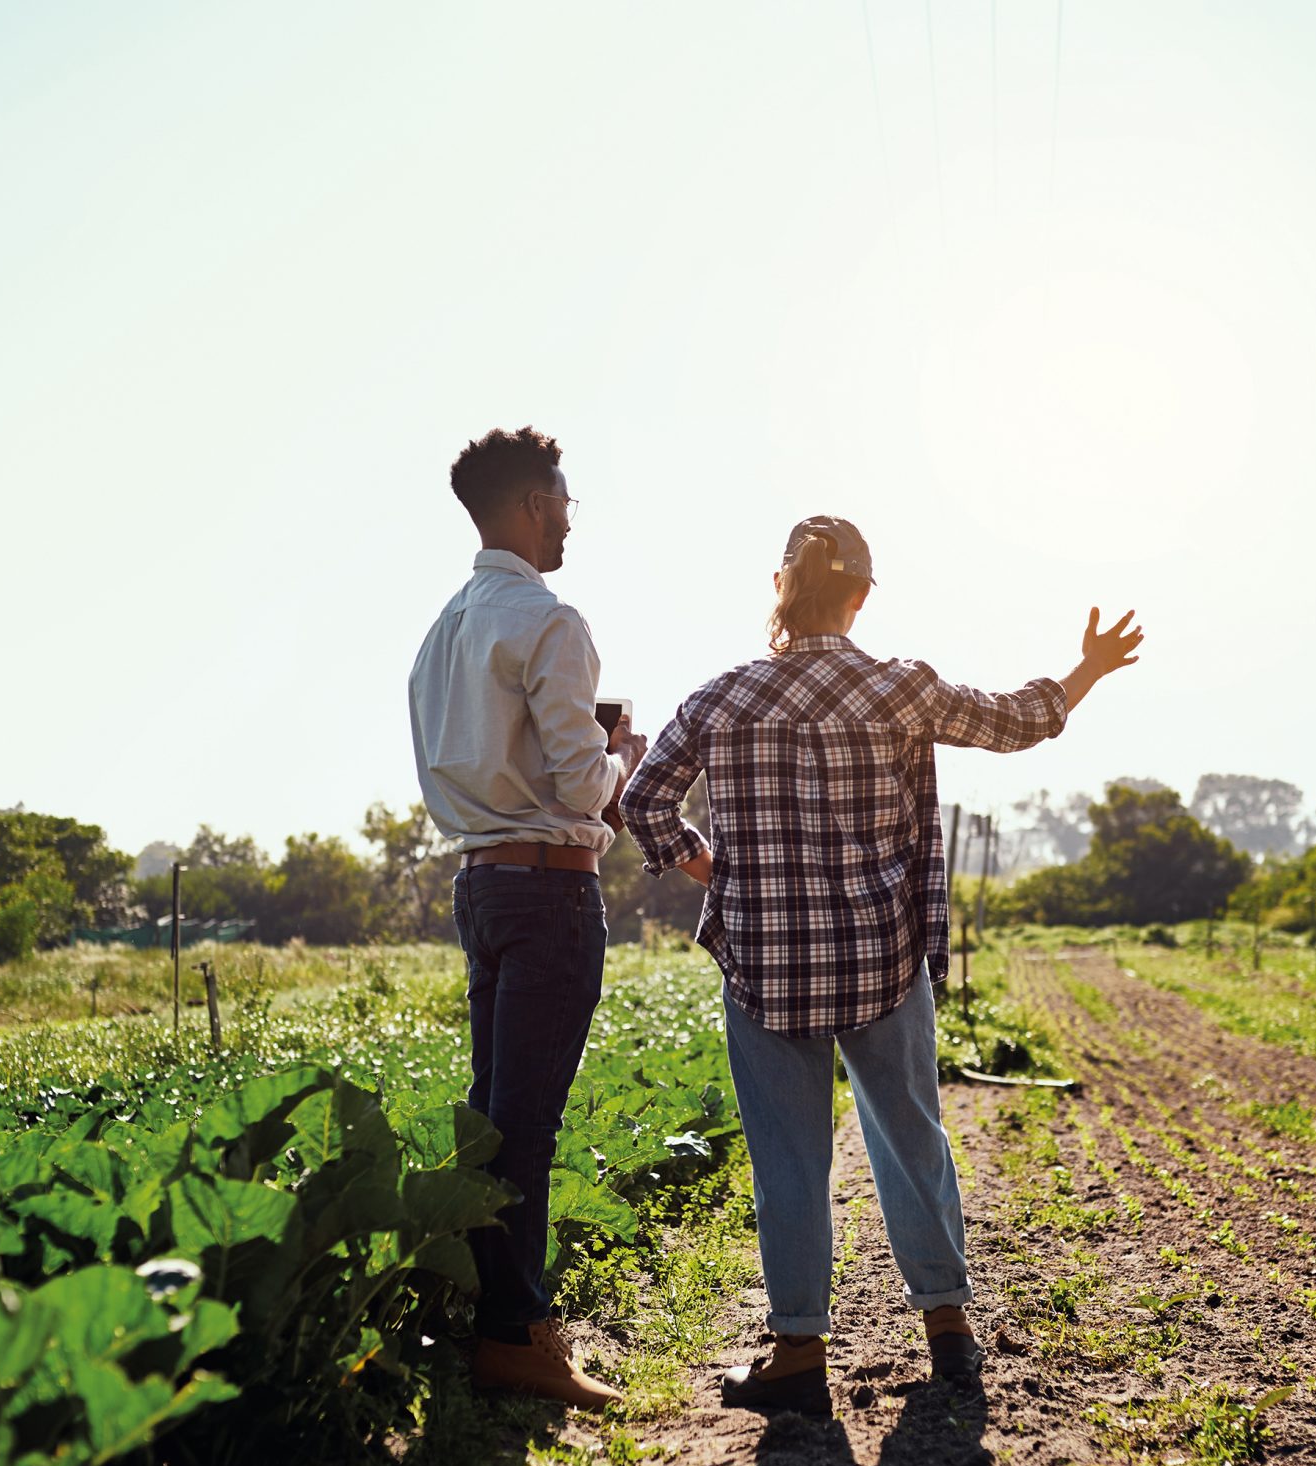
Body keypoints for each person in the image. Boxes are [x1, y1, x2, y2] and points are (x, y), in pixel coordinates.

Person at [619, 516, 1141, 1414]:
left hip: (765, 963)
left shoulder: (720, 698)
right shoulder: (901, 687)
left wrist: (710, 866)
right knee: (911, 1140)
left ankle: (797, 1351)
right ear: (862, 594)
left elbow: (644, 798)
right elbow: (1019, 721)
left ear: (779, 588)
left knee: (788, 1160)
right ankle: (948, 1332)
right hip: (883, 960)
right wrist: (1088, 667)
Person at [408, 426, 644, 1410]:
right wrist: (621, 752)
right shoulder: (550, 620)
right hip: (549, 888)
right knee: (527, 1126)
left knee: (493, 1116)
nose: (568, 525)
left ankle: (493, 1320)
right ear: (531, 506)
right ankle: (518, 1336)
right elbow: (583, 785)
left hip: (478, 884)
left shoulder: (443, 632)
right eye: (564, 505)